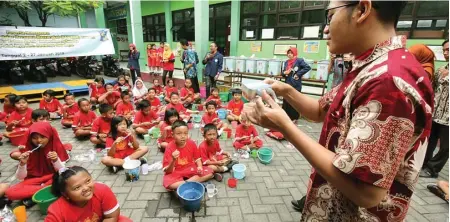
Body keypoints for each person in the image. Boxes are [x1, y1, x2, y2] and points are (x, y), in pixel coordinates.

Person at [242, 1, 433, 221]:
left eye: (329, 16)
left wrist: (284, 127)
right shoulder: (370, 65)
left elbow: (365, 191)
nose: (325, 28)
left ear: (362, 10)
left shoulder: (389, 80)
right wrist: (284, 89)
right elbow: (320, 111)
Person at [6, 122, 69, 207]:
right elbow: (20, 177)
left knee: (67, 177)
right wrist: (22, 164)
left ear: (49, 135)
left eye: (43, 137)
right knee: (10, 193)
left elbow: (62, 171)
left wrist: (55, 160)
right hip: (35, 180)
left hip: (52, 177)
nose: (39, 140)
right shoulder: (29, 150)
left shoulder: (55, 146)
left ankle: (33, 196)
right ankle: (47, 191)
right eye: (35, 138)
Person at [46, 166, 132, 222]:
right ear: (65, 195)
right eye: (77, 187)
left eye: (88, 181)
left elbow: (111, 217)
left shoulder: (102, 190)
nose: (86, 188)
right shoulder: (57, 211)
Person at [420, 39, 449, 179]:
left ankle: (433, 169)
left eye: (448, 49)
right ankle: (423, 164)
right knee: (430, 141)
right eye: (444, 50)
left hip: (448, 118)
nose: (446, 53)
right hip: (436, 113)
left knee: (445, 147)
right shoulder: (440, 70)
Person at [162, 120, 213, 190]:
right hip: (176, 171)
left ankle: (184, 185)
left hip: (190, 168)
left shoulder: (191, 143)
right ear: (172, 134)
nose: (183, 136)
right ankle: (193, 183)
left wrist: (200, 167)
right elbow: (168, 171)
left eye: (185, 133)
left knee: (210, 172)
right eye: (179, 134)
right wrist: (173, 160)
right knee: (168, 183)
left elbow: (197, 158)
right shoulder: (169, 147)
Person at [281, 47, 311, 121]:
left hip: (295, 84)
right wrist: (285, 73)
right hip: (287, 83)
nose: (289, 55)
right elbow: (282, 73)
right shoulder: (286, 62)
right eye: (288, 53)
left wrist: (298, 74)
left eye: (291, 53)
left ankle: (294, 117)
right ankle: (286, 116)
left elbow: (307, 67)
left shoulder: (299, 60)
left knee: (294, 100)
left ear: (295, 53)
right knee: (286, 100)